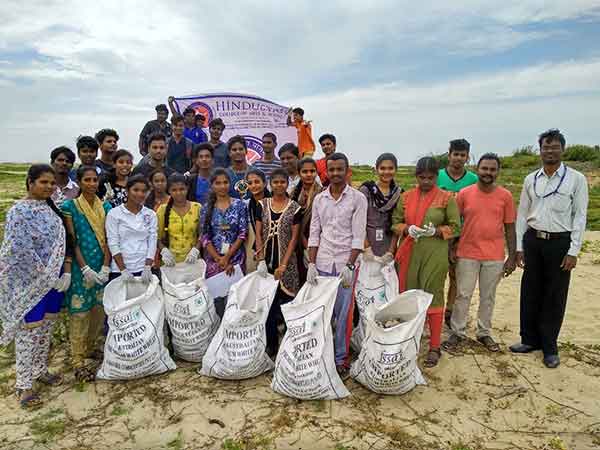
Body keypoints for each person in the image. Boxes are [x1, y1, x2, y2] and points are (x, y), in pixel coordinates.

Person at [510, 129, 588, 369]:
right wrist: (520, 247)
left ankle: (549, 346)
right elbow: (522, 214)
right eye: (546, 147)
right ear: (540, 149)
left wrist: (573, 250)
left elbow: (580, 216)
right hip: (534, 240)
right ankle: (529, 340)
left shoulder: (576, 179)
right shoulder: (531, 179)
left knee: (554, 295)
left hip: (559, 243)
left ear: (562, 150)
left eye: (555, 147)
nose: (550, 151)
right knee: (530, 290)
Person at [0, 164, 72, 408]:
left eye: (52, 183)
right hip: (29, 283)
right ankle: (24, 384)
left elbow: (61, 242)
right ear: (30, 182)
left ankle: (40, 369)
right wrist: (45, 275)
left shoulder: (52, 209)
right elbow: (21, 250)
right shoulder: (18, 211)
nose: (49, 187)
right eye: (44, 182)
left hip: (53, 281)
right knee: (29, 331)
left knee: (46, 328)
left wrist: (61, 273)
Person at [443, 153, 516, 353]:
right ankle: (457, 332)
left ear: (497, 172)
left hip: (494, 255)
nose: (488, 173)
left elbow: (510, 227)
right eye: (485, 169)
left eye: (493, 169)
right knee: (463, 294)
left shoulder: (505, 196)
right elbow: (454, 223)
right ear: (477, 169)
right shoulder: (465, 194)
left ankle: (484, 332)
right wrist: (451, 248)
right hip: (466, 252)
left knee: (488, 296)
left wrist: (512, 256)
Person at [392, 157, 460, 368]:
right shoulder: (406, 197)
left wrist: (437, 231)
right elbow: (394, 223)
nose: (426, 181)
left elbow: (457, 227)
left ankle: (434, 346)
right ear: (416, 176)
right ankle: (408, 341)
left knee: (433, 294)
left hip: (434, 252)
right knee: (408, 294)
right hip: (410, 251)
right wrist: (406, 228)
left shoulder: (447, 198)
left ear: (437, 177)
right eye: (422, 177)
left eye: (430, 178)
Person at [307, 153, 367, 379]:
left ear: (347, 170)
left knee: (343, 314)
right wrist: (311, 263)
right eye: (331, 170)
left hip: (345, 264)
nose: (335, 174)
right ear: (326, 172)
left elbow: (358, 236)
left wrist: (350, 265)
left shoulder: (357, 199)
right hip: (322, 262)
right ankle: (321, 353)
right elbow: (314, 233)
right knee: (322, 312)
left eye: (339, 169)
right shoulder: (320, 200)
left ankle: (341, 358)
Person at [61, 165, 112, 381]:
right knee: (80, 312)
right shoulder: (70, 207)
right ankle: (78, 360)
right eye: (87, 180)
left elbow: (110, 239)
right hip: (82, 268)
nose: (92, 184)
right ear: (79, 182)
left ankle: (91, 348)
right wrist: (84, 267)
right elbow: (72, 240)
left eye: (95, 180)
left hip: (101, 266)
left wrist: (106, 266)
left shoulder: (106, 207)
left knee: (98, 310)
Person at [255, 168, 302, 357]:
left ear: (286, 184)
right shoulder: (262, 205)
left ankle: (291, 346)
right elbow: (258, 233)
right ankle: (271, 346)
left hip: (287, 263)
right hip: (266, 263)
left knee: (289, 305)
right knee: (269, 306)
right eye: (276, 182)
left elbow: (294, 238)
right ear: (270, 184)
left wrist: (283, 264)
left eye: (283, 182)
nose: (279, 185)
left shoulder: (295, 207)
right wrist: (260, 259)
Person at [437, 138, 479, 327]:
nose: (459, 158)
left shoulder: (473, 180)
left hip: (462, 235)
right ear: (449, 155)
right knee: (437, 274)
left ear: (467, 157)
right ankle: (434, 310)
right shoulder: (437, 176)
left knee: (456, 276)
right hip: (438, 235)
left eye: (463, 155)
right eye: (456, 154)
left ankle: (450, 311)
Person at [200, 169, 248, 318]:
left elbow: (242, 233)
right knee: (217, 302)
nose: (222, 186)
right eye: (218, 183)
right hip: (214, 262)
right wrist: (219, 259)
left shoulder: (239, 205)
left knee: (236, 300)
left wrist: (227, 257)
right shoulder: (206, 208)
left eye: (225, 182)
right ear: (212, 185)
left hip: (235, 260)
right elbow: (204, 236)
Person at [106, 175, 157, 283]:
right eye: (136, 190)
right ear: (127, 191)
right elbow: (113, 242)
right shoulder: (114, 214)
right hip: (120, 270)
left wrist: (148, 267)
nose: (140, 194)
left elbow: (152, 240)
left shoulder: (150, 214)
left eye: (144, 191)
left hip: (143, 269)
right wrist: (123, 270)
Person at [359, 153, 403, 261]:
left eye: (390, 168)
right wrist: (366, 247)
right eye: (382, 168)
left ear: (396, 170)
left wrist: (391, 251)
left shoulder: (399, 194)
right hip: (367, 243)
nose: (386, 172)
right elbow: (358, 221)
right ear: (376, 169)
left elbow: (397, 225)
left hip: (388, 245)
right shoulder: (367, 190)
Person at [157, 174, 202, 266]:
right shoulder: (162, 210)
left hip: (193, 260)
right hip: (170, 262)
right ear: (169, 191)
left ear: (187, 188)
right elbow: (156, 237)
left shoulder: (197, 208)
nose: (178, 193)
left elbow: (203, 234)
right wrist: (164, 251)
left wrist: (196, 250)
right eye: (174, 190)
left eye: (182, 189)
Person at [291, 158, 323, 282]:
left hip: (318, 244)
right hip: (297, 243)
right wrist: (304, 243)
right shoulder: (293, 194)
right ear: (299, 173)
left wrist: (310, 246)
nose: (309, 174)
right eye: (305, 172)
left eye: (312, 171)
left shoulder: (323, 193)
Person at [245, 168, 270, 273]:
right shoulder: (247, 205)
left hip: (271, 246)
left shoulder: (273, 202)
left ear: (264, 183)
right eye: (250, 183)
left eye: (257, 182)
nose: (254, 185)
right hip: (253, 248)